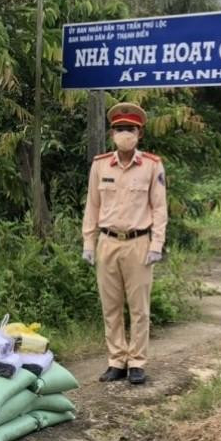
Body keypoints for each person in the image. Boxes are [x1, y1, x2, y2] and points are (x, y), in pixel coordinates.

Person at [82, 102, 168, 386]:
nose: (124, 134)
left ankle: (138, 362)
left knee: (139, 307)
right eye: (119, 129)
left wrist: (157, 244)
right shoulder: (100, 164)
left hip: (138, 243)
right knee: (111, 306)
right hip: (107, 242)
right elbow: (92, 206)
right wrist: (89, 243)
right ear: (112, 133)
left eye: (130, 129)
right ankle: (116, 360)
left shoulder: (152, 166)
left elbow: (159, 208)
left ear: (139, 134)